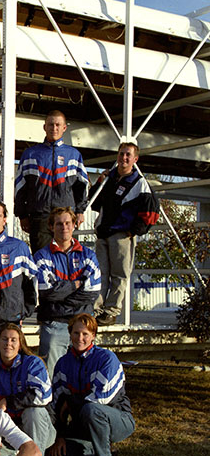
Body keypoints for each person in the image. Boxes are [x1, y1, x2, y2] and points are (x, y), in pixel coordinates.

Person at [51, 314, 134, 456]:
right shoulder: (63, 363)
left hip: (118, 420)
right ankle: (97, 449)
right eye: (76, 333)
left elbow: (101, 398)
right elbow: (57, 403)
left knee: (92, 409)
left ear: (93, 335)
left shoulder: (107, 359)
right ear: (70, 333)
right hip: (83, 424)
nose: (80, 338)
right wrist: (60, 436)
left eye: (85, 334)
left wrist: (72, 401)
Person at [91, 139, 160, 326]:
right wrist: (100, 181)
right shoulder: (109, 178)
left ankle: (111, 311)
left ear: (135, 159)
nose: (124, 157)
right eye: (121, 154)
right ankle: (95, 310)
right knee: (99, 274)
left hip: (122, 236)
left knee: (119, 275)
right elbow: (93, 201)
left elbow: (152, 211)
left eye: (128, 155)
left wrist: (134, 231)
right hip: (103, 233)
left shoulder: (139, 183)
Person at [34, 207, 101, 376]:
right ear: (51, 227)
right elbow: (46, 292)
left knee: (86, 375)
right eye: (59, 224)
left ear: (74, 225)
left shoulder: (88, 255)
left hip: (83, 324)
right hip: (54, 324)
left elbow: (92, 292)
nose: (64, 227)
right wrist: (76, 284)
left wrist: (62, 297)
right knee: (50, 376)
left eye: (67, 223)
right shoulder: (42, 256)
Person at [14, 109, 89, 252]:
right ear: (44, 127)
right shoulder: (30, 154)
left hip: (66, 218)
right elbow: (20, 187)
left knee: (66, 257)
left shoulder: (74, 155)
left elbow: (82, 186)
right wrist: (22, 215)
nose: (54, 128)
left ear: (64, 128)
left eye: (58, 125)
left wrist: (80, 211)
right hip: (39, 217)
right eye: (50, 125)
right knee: (41, 258)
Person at [0, 323, 55, 454]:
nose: (8, 343)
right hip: (10, 430)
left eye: (13, 340)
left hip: (39, 429)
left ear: (20, 344)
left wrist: (8, 401)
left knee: (33, 412)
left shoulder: (33, 363)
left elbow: (43, 395)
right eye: (4, 339)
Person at [0, 197, 37, 326]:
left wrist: (24, 311)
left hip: (11, 319)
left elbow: (31, 282)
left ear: (4, 219)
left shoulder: (19, 247)